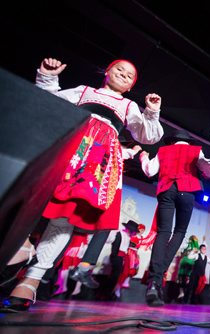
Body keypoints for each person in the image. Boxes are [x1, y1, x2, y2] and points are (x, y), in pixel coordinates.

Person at [1, 57, 164, 312]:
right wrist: (48, 76)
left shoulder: (129, 105)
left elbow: (147, 135)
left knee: (65, 217)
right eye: (119, 69)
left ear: (131, 86)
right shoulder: (84, 91)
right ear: (106, 71)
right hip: (69, 146)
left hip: (97, 160)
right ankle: (23, 246)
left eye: (129, 75)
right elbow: (49, 102)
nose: (123, 74)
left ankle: (32, 279)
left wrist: (151, 111)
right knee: (35, 198)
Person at [140, 129, 210, 306]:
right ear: (188, 141)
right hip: (186, 191)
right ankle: (159, 276)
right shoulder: (196, 150)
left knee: (163, 231)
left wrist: (143, 157)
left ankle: (154, 281)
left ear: (173, 141)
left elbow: (150, 171)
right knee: (180, 231)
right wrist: (206, 170)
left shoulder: (163, 151)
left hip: (166, 189)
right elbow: (207, 168)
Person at [68, 145, 143, 290]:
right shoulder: (113, 147)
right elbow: (127, 153)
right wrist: (136, 150)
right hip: (100, 188)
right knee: (104, 225)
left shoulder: (103, 148)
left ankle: (81, 269)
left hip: (90, 183)